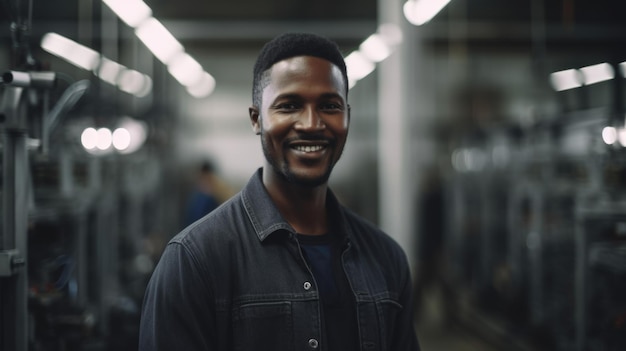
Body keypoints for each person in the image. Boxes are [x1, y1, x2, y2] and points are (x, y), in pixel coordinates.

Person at [139, 32, 420, 351]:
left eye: (329, 105)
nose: (312, 123)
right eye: (289, 106)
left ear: (347, 117)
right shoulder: (194, 261)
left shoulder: (386, 258)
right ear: (257, 119)